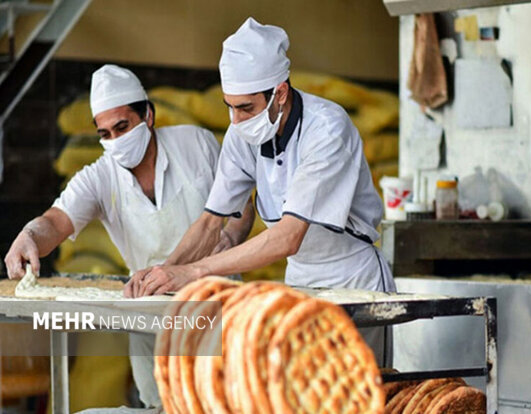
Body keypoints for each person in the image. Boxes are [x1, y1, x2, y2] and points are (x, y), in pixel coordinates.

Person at [3, 64, 253, 409]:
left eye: (123, 126)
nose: (116, 141)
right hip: (148, 314)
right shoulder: (99, 177)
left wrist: (231, 239)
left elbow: (243, 205)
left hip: (213, 305)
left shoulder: (195, 144)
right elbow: (55, 221)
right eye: (105, 134)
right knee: (158, 404)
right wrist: (29, 235)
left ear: (147, 115)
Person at [131, 18, 396, 309]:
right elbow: (210, 222)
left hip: (353, 280)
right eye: (229, 107)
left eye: (246, 107)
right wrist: (164, 273)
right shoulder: (241, 133)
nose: (236, 120)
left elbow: (288, 238)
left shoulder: (326, 129)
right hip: (299, 277)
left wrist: (194, 271)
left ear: (280, 93)